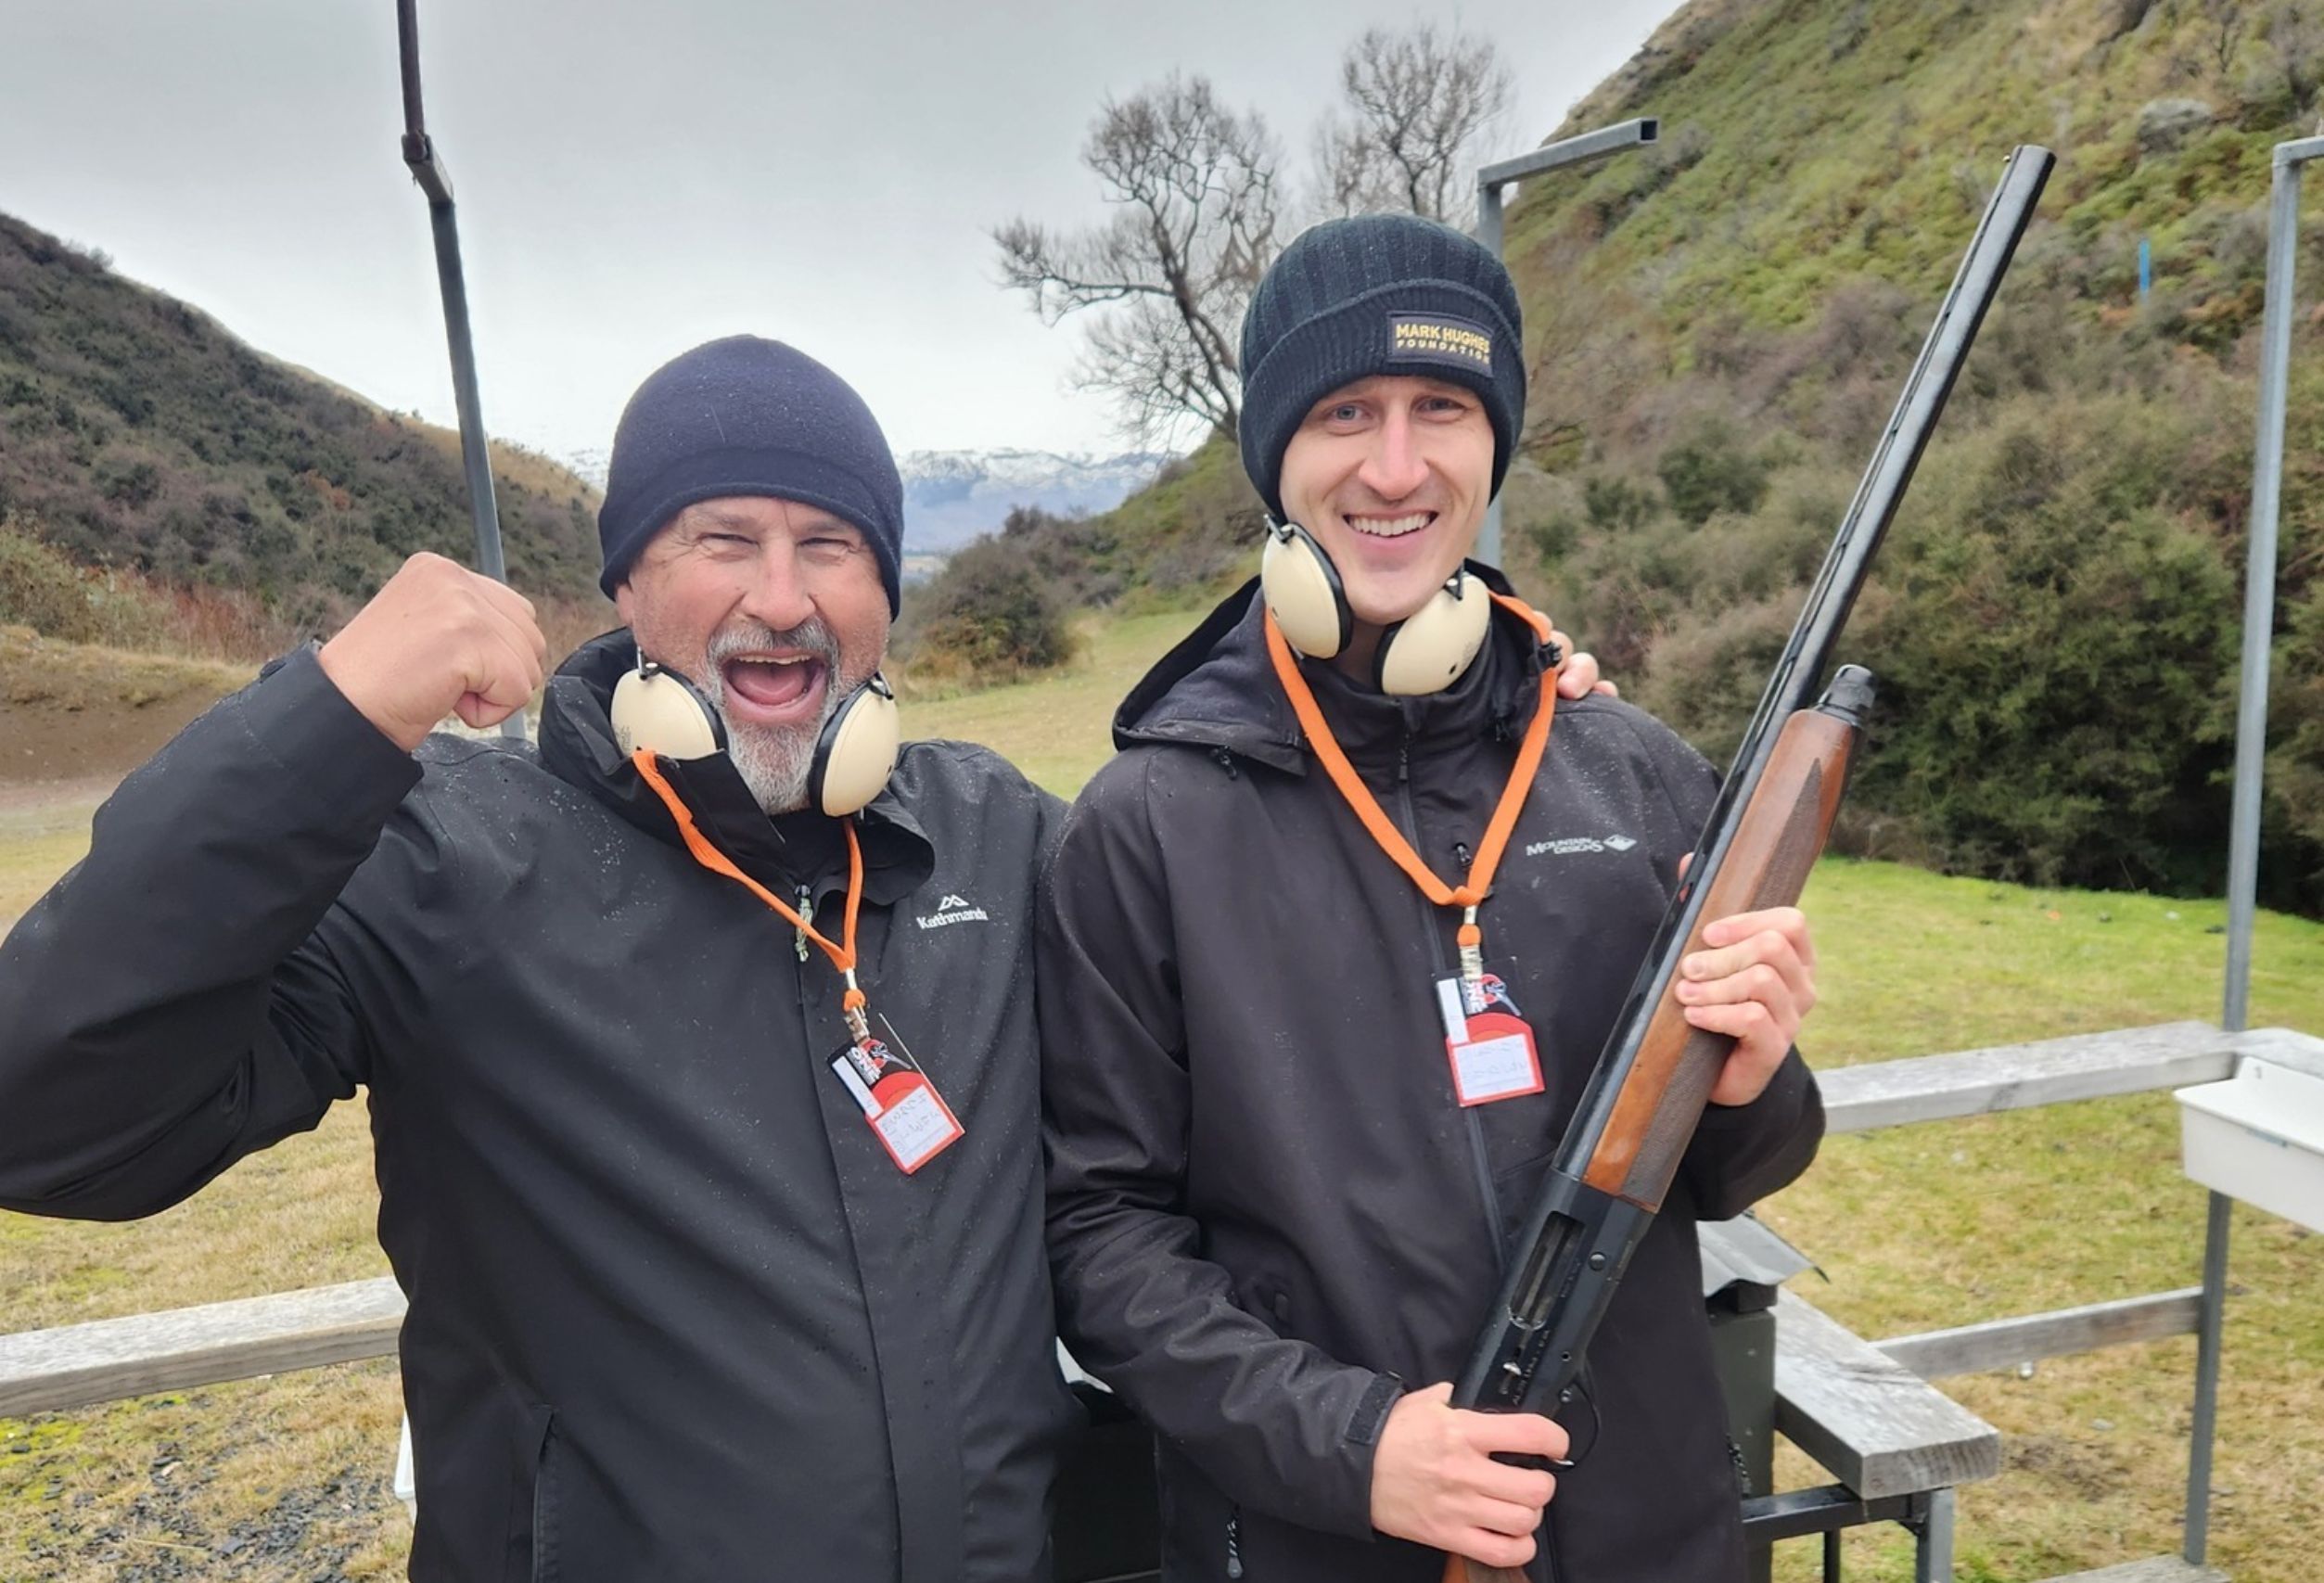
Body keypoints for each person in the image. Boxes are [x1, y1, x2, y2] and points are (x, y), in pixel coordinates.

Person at [0, 336, 1087, 1582]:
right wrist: (326, 723)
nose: (782, 599)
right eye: (721, 540)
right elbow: (42, 1116)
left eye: (830, 547)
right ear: (625, 583)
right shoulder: (440, 857)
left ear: (884, 593)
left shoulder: (995, 839)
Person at [1039, 215, 1826, 1583]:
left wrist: (1759, 1072)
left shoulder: (1631, 771)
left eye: (1441, 410)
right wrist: (1351, 1447)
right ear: (1275, 456)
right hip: (1308, 1543)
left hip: (1651, 1534)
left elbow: (1727, 1171)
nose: (1393, 467)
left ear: (1492, 446)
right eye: (1345, 411)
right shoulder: (1145, 827)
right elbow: (1100, 1236)